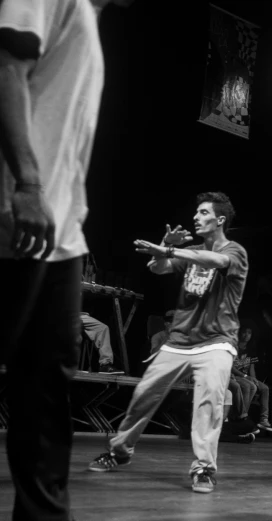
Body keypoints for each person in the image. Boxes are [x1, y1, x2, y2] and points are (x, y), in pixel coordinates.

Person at [0, 1, 132, 519]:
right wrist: (29, 184)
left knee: (47, 397)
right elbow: (7, 67)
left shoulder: (86, 19)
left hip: (62, 235)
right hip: (15, 216)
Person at [86, 192, 249, 495]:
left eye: (203, 213)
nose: (196, 218)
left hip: (217, 342)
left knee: (209, 400)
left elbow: (214, 260)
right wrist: (168, 248)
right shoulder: (190, 251)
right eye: (196, 212)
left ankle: (203, 469)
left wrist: (171, 250)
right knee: (144, 394)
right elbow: (157, 268)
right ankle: (119, 452)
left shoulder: (235, 251)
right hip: (179, 342)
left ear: (220, 219)